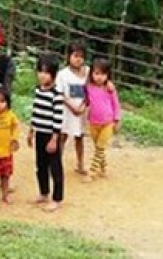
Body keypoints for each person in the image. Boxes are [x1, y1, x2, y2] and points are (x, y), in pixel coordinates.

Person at [29, 54, 65, 212]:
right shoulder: (38, 90)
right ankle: (44, 192)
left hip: (51, 136)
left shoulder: (56, 95)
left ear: (54, 74)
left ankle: (57, 198)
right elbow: (35, 112)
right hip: (39, 134)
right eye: (40, 71)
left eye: (46, 72)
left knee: (55, 167)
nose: (42, 75)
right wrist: (31, 131)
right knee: (40, 165)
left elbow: (58, 118)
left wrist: (54, 139)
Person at [56, 41, 89, 176]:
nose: (78, 59)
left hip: (81, 111)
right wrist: (72, 107)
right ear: (69, 56)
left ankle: (80, 164)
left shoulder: (88, 72)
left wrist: (82, 107)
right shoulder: (62, 74)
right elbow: (60, 93)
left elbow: (91, 91)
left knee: (79, 137)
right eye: (75, 55)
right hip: (66, 111)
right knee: (62, 136)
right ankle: (56, 163)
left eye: (81, 56)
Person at [85, 57, 122, 179]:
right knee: (98, 148)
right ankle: (103, 168)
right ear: (91, 74)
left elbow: (116, 105)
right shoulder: (88, 87)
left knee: (100, 147)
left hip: (108, 123)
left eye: (103, 74)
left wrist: (117, 120)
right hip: (93, 122)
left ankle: (92, 172)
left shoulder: (110, 89)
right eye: (96, 73)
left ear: (108, 75)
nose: (99, 77)